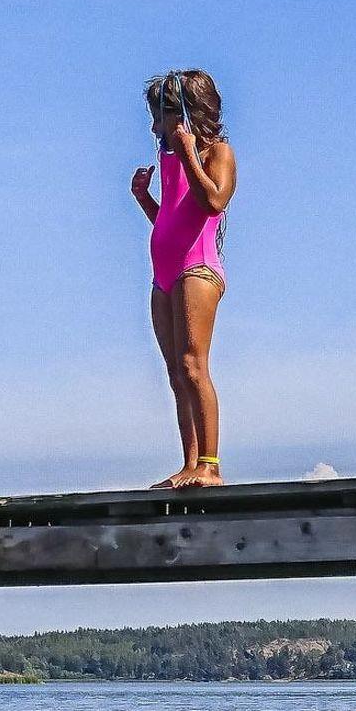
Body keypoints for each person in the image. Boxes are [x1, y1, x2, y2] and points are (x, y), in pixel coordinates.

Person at [131, 69, 237, 490]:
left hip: (199, 269)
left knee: (194, 366)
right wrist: (144, 199)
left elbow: (212, 202)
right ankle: (190, 463)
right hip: (165, 273)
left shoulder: (218, 151)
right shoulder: (169, 159)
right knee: (176, 371)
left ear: (184, 116)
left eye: (160, 117)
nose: (154, 127)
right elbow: (173, 221)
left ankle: (210, 465)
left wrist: (191, 152)